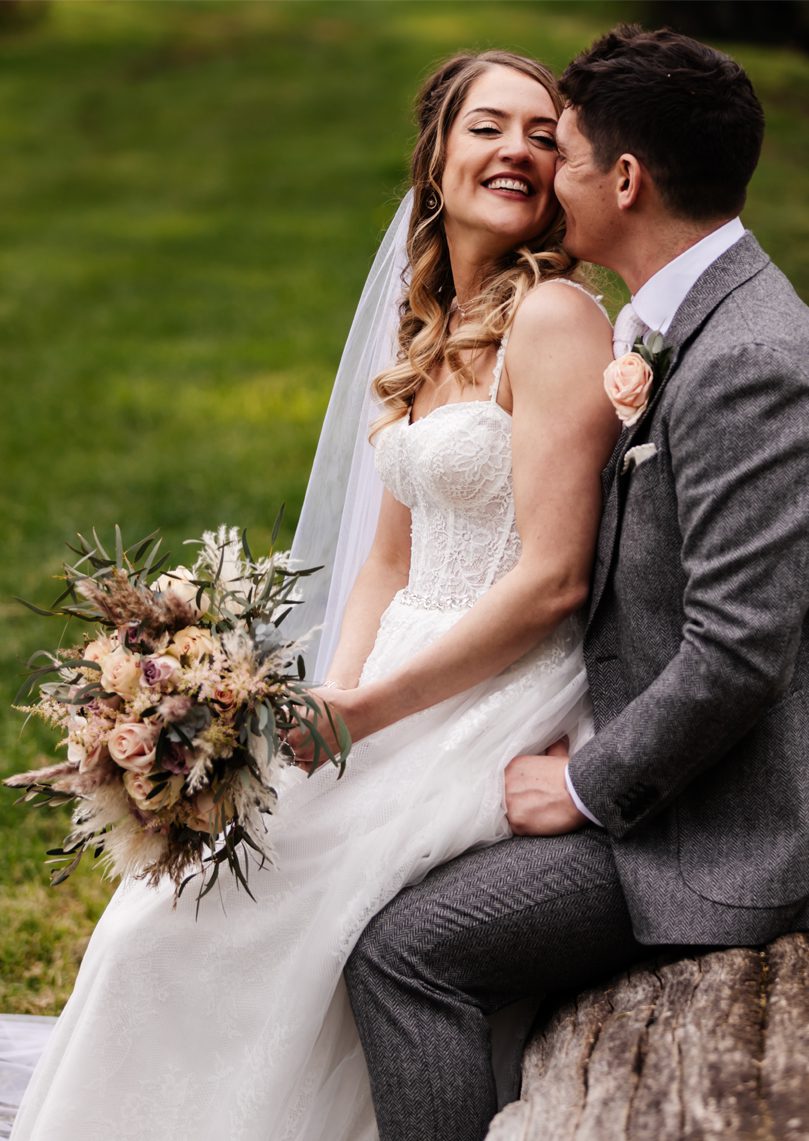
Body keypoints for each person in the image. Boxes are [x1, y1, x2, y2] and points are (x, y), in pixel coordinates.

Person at [10, 50, 619, 1140]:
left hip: (501, 692)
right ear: (435, 153)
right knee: (164, 915)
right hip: (392, 680)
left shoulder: (556, 321)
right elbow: (387, 560)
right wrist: (329, 693)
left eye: (540, 132)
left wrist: (362, 716)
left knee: (256, 923)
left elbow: (551, 583)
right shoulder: (424, 327)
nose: (516, 150)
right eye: (486, 126)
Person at [343, 24, 809, 1141]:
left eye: (566, 147)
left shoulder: (750, 355)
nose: (546, 170)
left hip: (715, 833)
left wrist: (588, 780)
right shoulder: (664, 323)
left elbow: (737, 649)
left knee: (406, 955)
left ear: (625, 178)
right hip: (629, 760)